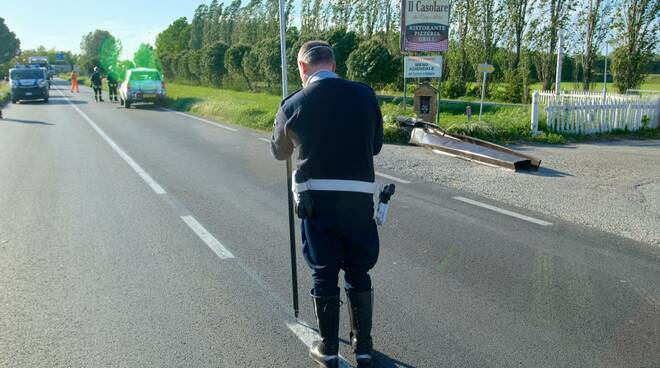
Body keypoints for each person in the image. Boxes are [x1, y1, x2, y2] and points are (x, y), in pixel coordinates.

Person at [270, 41, 384, 368]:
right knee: (358, 269)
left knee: (324, 273)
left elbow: (279, 152)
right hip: (360, 203)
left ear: (303, 68)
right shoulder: (365, 96)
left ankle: (329, 350)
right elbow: (375, 146)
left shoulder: (294, 104)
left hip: (317, 204)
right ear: (333, 65)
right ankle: (363, 348)